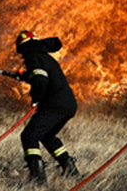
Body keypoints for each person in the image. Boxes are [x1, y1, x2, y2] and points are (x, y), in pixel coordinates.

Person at [13, 30, 80, 185]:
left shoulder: (33, 55)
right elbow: (41, 75)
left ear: (24, 47)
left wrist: (36, 99)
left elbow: (40, 80)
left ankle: (38, 178)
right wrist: (24, 76)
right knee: (47, 136)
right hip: (68, 105)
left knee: (29, 136)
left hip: (54, 104)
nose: (22, 55)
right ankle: (70, 169)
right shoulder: (43, 56)